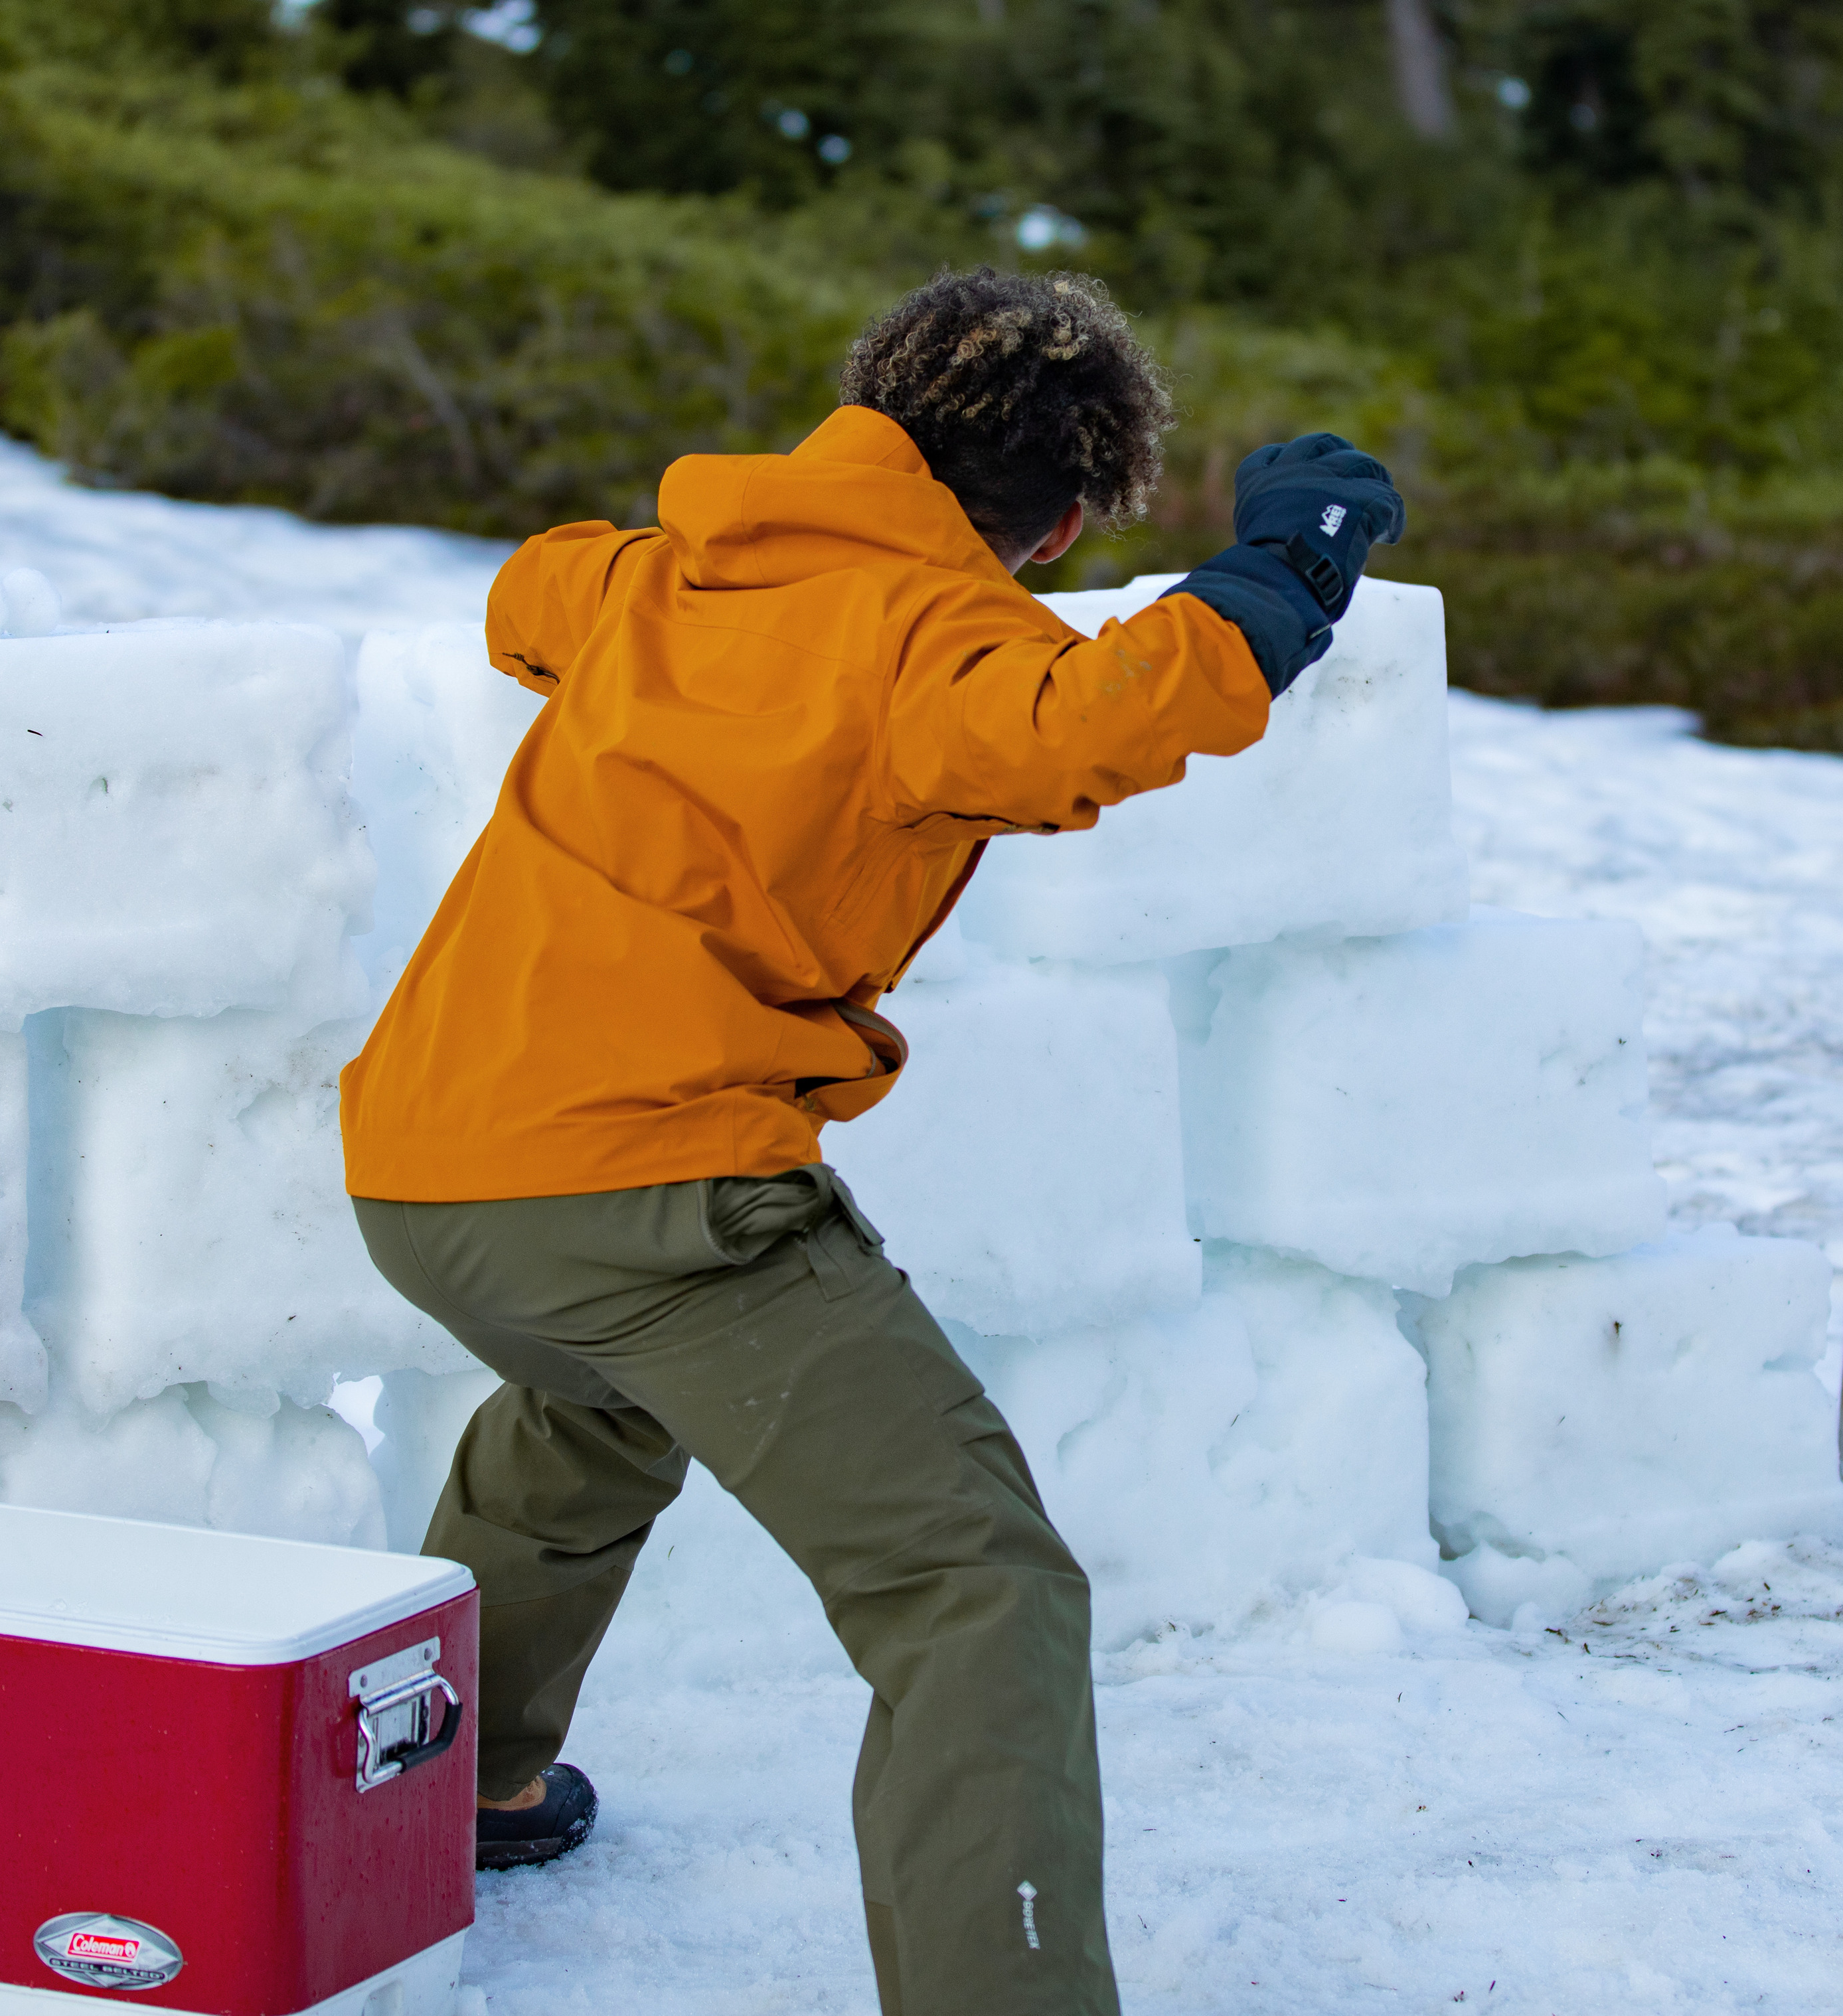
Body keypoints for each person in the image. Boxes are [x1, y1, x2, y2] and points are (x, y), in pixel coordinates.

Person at [339, 267, 1403, 2016]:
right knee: (973, 1589)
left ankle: (451, 1787)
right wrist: (1286, 573)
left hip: (425, 1170)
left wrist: (670, 585)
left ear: (874, 422)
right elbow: (1092, 723)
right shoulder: (941, 638)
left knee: (596, 1408)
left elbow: (532, 590)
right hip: (649, 1188)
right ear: (1057, 527)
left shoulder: (672, 572)